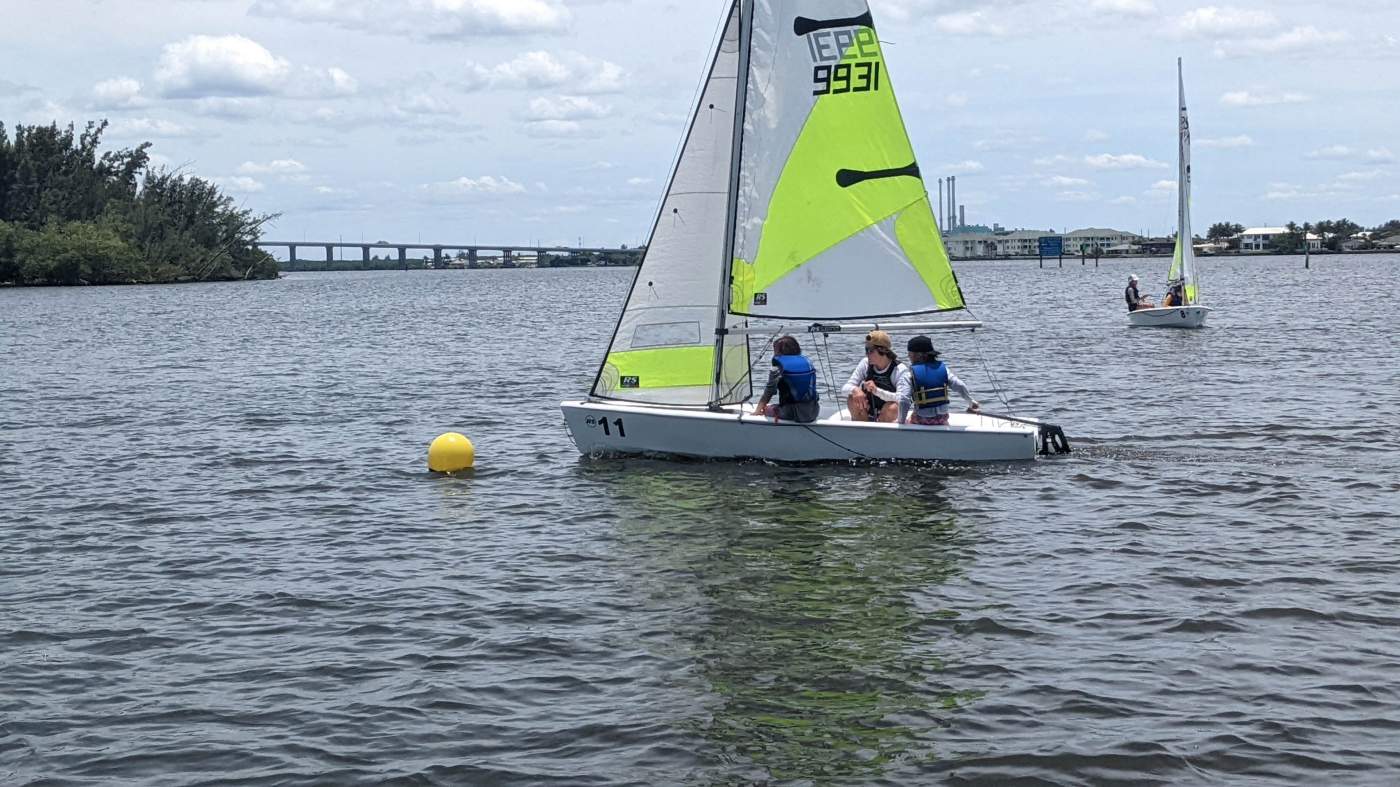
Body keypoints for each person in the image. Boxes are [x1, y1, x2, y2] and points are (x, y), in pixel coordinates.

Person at [901, 336, 979, 426]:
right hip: (942, 419)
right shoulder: (943, 369)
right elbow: (960, 385)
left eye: (910, 354)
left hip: (922, 419)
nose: (908, 356)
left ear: (919, 355)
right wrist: (971, 402)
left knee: (909, 419)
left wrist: (901, 422)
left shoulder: (910, 375)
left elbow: (904, 400)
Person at [752, 335, 821, 423]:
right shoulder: (806, 361)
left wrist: (758, 411)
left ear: (779, 351)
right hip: (813, 410)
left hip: (792, 413)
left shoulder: (778, 365)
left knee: (767, 409)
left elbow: (769, 390)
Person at [841, 330, 904, 423]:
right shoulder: (865, 363)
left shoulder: (899, 369)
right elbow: (844, 389)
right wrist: (855, 390)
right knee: (852, 398)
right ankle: (862, 431)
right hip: (868, 412)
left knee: (893, 407)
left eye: (870, 351)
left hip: (886, 415)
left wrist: (876, 391)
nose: (867, 354)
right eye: (866, 350)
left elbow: (902, 398)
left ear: (883, 350)